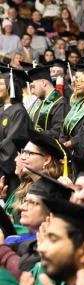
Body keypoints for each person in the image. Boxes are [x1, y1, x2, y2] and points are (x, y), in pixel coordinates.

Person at [3, 130, 65, 235]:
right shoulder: (23, 188)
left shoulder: (55, 191)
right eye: (23, 152)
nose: (22, 157)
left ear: (46, 160)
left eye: (29, 153)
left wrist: (10, 228)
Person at [0, 66, 33, 197]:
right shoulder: (2, 109)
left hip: (7, 171)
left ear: (11, 86)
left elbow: (12, 143)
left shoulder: (19, 111)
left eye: (1, 83)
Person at [27, 65, 68, 141]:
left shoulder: (60, 103)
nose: (32, 92)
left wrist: (33, 134)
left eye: (33, 87)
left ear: (43, 82)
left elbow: (57, 132)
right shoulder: (38, 103)